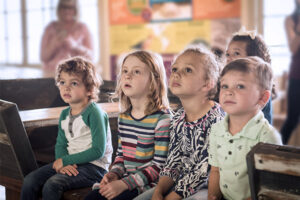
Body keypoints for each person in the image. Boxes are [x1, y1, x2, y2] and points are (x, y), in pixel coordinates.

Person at [134, 45, 225, 200]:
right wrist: (159, 191)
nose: (176, 74)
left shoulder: (217, 119)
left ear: (207, 83)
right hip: (179, 185)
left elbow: (202, 172)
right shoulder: (178, 117)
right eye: (175, 69)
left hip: (207, 189)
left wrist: (171, 197)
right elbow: (173, 161)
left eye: (188, 70)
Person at [20, 57, 113, 200]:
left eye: (74, 83)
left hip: (94, 167)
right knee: (29, 180)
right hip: (71, 162)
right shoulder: (64, 114)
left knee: (52, 184)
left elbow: (98, 151)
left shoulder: (94, 113)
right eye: (62, 82)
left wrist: (65, 161)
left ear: (89, 89)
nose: (66, 87)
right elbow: (61, 144)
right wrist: (61, 163)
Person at [84, 50, 171, 200]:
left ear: (153, 81)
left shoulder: (163, 119)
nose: (128, 75)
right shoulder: (124, 116)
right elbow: (121, 156)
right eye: (125, 71)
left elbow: (159, 167)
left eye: (136, 71)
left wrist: (124, 184)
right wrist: (114, 174)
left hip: (148, 187)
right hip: (125, 181)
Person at [208, 57, 282, 200]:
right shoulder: (217, 130)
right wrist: (212, 196)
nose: (228, 92)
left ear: (262, 98)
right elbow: (216, 171)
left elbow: (271, 187)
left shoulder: (267, 137)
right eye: (225, 86)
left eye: (240, 86)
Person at [225, 27, 275, 124]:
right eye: (227, 54)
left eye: (236, 53)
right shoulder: (225, 84)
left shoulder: (259, 89)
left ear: (253, 58)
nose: (229, 58)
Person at [40, 0, 93, 73]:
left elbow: (90, 56)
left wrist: (75, 46)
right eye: (64, 7)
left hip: (77, 74)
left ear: (75, 9)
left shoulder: (82, 28)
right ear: (59, 9)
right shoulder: (50, 28)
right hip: (52, 74)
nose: (67, 11)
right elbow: (43, 57)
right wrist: (55, 43)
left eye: (70, 7)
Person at [281, 0, 300, 144]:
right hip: (297, 76)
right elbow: (292, 49)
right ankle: (275, 152)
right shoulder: (290, 20)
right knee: (292, 119)